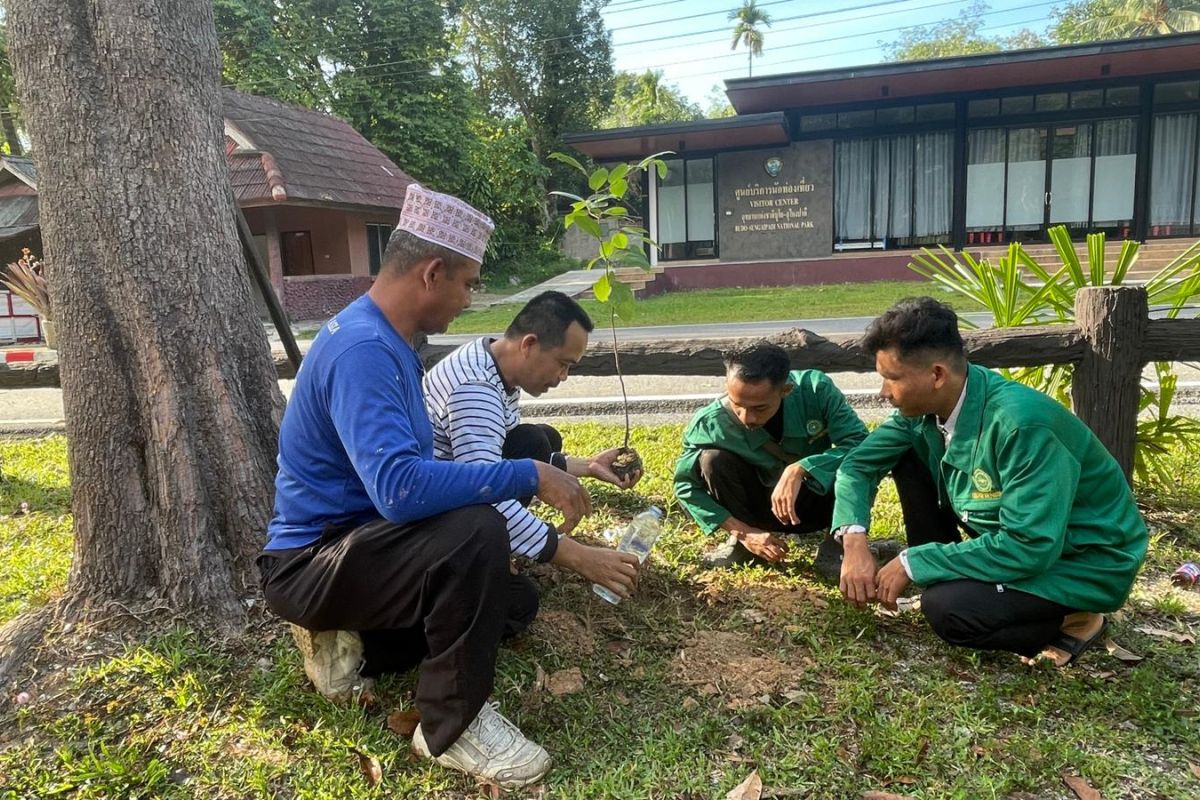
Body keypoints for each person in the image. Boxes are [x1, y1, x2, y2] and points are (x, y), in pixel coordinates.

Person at [257, 185, 597, 789]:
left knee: (509, 602)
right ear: (432, 272)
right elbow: (400, 489)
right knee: (477, 530)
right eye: (467, 283)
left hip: (364, 544)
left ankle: (354, 648)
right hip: (314, 561)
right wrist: (531, 473)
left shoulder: (386, 341)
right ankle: (450, 728)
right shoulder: (365, 349)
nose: (470, 300)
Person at [831, 297, 1148, 665]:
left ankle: (1078, 617)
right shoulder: (924, 411)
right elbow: (857, 467)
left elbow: (1029, 545)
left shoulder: (1021, 424)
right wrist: (854, 540)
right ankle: (955, 576)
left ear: (936, 375)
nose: (882, 392)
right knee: (905, 454)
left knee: (949, 610)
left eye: (891, 378)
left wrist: (912, 562)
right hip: (1023, 545)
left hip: (1080, 561)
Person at [424, 290, 643, 594]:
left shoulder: (490, 361)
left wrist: (589, 466)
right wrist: (577, 556)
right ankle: (482, 552)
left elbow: (505, 454)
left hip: (460, 480)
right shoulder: (475, 390)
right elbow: (485, 489)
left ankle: (498, 546)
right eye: (563, 364)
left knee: (537, 440)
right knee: (518, 603)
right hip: (435, 513)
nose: (564, 376)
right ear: (529, 344)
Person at [673, 342, 872, 572]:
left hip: (817, 502)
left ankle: (836, 544)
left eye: (759, 408)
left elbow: (861, 447)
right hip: (757, 509)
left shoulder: (816, 390)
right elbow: (685, 485)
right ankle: (744, 547)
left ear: (786, 390)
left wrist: (802, 468)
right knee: (711, 460)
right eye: (737, 404)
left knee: (858, 466)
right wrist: (743, 532)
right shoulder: (710, 422)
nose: (746, 417)